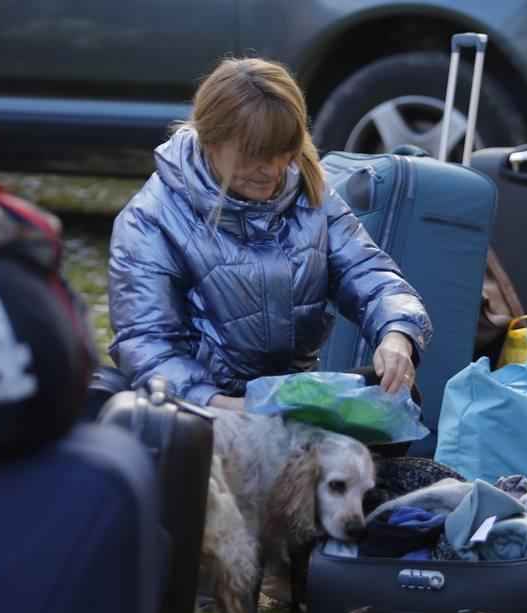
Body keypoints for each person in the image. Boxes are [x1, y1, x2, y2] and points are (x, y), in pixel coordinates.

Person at [107, 57, 432, 410]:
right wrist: (226, 407)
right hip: (202, 411)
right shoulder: (151, 218)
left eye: (284, 152)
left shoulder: (311, 194)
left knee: (396, 399)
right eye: (255, 155)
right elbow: (148, 344)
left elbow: (369, 274)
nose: (273, 170)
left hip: (291, 402)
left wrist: (397, 334)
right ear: (210, 140)